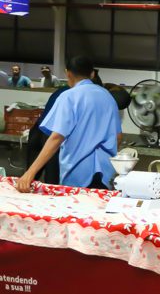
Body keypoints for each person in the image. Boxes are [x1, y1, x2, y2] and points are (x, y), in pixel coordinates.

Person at [16, 56, 121, 192]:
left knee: (75, 211)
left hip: (77, 172)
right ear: (92, 74)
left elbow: (56, 138)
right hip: (105, 173)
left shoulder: (69, 96)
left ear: (68, 73)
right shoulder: (108, 97)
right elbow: (118, 137)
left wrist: (30, 173)